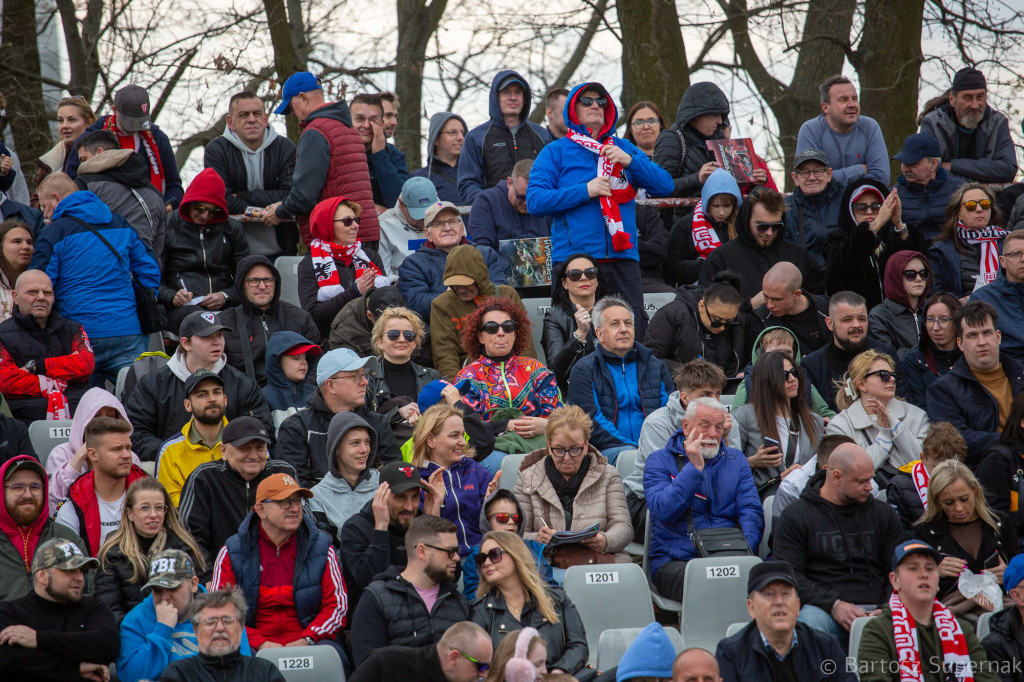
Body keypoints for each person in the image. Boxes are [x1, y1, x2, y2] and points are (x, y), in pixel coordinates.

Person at [527, 82, 674, 339]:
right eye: (587, 101)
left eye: (601, 101)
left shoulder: (624, 148)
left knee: (630, 337)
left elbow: (665, 186)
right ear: (573, 109)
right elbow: (535, 201)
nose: (595, 105)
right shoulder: (555, 151)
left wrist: (631, 161)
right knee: (575, 338)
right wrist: (585, 190)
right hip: (576, 264)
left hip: (622, 259)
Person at [30, 173, 161, 387]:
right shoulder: (120, 223)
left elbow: (39, 282)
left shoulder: (54, 233)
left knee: (86, 403)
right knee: (139, 398)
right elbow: (149, 269)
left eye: (44, 206)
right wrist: (141, 301)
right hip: (127, 329)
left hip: (79, 334)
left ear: (56, 198)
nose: (44, 214)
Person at [774, 443, 903, 638]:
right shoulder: (796, 516)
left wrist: (887, 607)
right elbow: (789, 576)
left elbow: (899, 570)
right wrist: (833, 605)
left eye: (871, 478)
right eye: (862, 481)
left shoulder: (883, 514)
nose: (870, 487)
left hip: (879, 607)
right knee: (810, 623)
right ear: (836, 477)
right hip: (824, 611)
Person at [212, 472, 348, 655]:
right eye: (284, 502)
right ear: (261, 510)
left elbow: (337, 606)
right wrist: (259, 644)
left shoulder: (322, 548)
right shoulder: (232, 551)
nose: (294, 508)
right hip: (252, 646)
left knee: (334, 657)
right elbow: (219, 611)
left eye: (297, 501)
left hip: (311, 642)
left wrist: (307, 639)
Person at [643, 398, 764, 597]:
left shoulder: (736, 460)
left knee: (774, 580)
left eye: (719, 427)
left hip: (730, 555)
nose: (713, 434)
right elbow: (662, 509)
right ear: (685, 426)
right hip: (677, 560)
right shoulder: (659, 460)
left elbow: (751, 512)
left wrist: (744, 555)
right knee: (711, 584)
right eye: (705, 426)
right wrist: (694, 468)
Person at [125, 310, 273, 462]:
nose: (217, 342)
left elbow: (262, 430)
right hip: (171, 463)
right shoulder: (154, 383)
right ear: (186, 343)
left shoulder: (241, 383)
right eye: (207, 337)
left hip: (226, 464)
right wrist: (177, 454)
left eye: (219, 335)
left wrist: (224, 455)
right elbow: (135, 433)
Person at [262, 71, 380, 247]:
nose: (292, 114)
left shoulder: (315, 132)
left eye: (291, 107)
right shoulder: (347, 128)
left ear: (303, 98)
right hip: (364, 231)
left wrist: (280, 211)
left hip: (337, 237)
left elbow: (304, 196)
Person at [856, 539, 999, 682]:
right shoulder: (877, 631)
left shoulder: (961, 629)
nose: (924, 574)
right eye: (913, 568)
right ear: (895, 580)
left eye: (930, 568)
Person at [622, 360, 728, 539]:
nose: (714, 401)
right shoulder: (657, 424)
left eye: (717, 394)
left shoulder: (726, 422)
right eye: (705, 395)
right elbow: (667, 479)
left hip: (706, 497)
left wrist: (724, 438)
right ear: (684, 397)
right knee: (694, 524)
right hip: (650, 500)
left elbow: (732, 474)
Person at [513, 405, 632, 563]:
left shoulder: (608, 475)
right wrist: (538, 539)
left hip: (597, 562)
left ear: (586, 446)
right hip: (548, 564)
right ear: (548, 445)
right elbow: (515, 535)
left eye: (575, 449)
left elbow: (623, 527)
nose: (567, 458)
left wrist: (605, 540)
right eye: (559, 449)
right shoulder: (528, 479)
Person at [178, 416, 294, 573]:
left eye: (260, 448)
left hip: (279, 573)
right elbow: (190, 539)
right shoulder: (204, 478)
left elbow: (305, 528)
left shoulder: (284, 474)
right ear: (223, 451)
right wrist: (208, 578)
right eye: (244, 448)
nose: (253, 455)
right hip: (220, 575)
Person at [351, 514, 471, 665]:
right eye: (450, 551)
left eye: (457, 551)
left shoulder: (458, 601)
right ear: (422, 551)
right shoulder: (376, 598)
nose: (457, 558)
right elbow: (368, 667)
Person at [116, 549, 252, 682]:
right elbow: (130, 677)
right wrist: (162, 631)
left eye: (172, 588)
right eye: (157, 590)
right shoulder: (135, 620)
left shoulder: (222, 615)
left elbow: (242, 671)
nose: (165, 597)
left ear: (193, 584)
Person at [568, 297, 672, 462]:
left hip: (656, 447)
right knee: (631, 458)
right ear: (599, 334)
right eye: (615, 324)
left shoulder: (655, 366)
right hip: (606, 450)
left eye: (628, 323)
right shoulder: (584, 370)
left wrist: (653, 445)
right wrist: (634, 448)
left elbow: (669, 412)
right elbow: (590, 422)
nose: (624, 329)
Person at [278, 347, 401, 486]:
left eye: (364, 374)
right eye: (354, 376)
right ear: (331, 385)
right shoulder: (296, 427)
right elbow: (293, 487)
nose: (365, 382)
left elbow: (393, 478)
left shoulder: (376, 422)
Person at [0, 537, 118, 680]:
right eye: (69, 570)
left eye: (81, 570)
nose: (79, 578)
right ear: (42, 575)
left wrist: (38, 639)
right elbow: (8, 659)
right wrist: (75, 668)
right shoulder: (11, 612)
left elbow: (108, 644)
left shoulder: (93, 607)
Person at [715, 560, 854, 682]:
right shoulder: (730, 653)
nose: (779, 602)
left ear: (798, 605)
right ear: (751, 608)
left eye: (786, 593)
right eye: (768, 594)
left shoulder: (826, 646)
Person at [471, 530, 589, 675]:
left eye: (494, 554)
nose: (487, 563)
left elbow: (578, 646)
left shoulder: (557, 599)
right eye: (481, 559)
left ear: (516, 555)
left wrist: (558, 672)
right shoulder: (480, 611)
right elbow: (481, 666)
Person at [914, 460, 1019, 619]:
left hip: (1001, 610)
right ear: (937, 502)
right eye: (949, 503)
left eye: (964, 499)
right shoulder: (926, 531)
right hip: (952, 615)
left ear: (975, 491)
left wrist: (1009, 574)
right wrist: (934, 571)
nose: (958, 508)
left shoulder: (1000, 523)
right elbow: (913, 583)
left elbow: (1019, 570)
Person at [95, 477, 205, 623]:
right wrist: (137, 631)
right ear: (130, 513)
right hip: (132, 631)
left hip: (180, 630)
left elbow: (199, 598)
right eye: (145, 508)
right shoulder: (113, 554)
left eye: (159, 507)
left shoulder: (184, 547)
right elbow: (109, 609)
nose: (153, 514)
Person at [926, 301, 1024, 465]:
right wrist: (1013, 440)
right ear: (960, 343)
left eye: (987, 333)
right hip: (982, 471)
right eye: (972, 335)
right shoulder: (942, 390)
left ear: (998, 336)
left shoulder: (1021, 375)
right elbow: (955, 441)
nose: (982, 342)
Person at [203, 90, 296, 258]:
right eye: (244, 114)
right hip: (231, 251)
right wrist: (266, 209)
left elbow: (290, 196)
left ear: (265, 119)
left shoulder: (285, 148)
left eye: (257, 113)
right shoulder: (216, 151)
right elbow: (221, 200)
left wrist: (242, 196)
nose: (252, 119)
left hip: (282, 248)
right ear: (230, 122)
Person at [455, 298, 558, 448]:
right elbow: (468, 426)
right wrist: (506, 425)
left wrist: (547, 424)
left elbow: (558, 414)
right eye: (492, 328)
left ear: (515, 334)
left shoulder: (536, 369)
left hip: (540, 444)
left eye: (508, 327)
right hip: (491, 449)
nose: (501, 333)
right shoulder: (467, 378)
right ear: (480, 336)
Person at [337, 461, 443, 606]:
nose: (409, 507)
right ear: (382, 496)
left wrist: (433, 525)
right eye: (401, 497)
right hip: (377, 613)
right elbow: (371, 582)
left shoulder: (422, 523)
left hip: (421, 609)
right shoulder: (356, 528)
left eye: (415, 497)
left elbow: (450, 576)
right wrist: (380, 529)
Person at [65, 83, 184, 210]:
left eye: (140, 121)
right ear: (115, 110)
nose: (136, 127)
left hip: (149, 214)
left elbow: (174, 185)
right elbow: (70, 183)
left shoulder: (157, 138)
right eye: (131, 121)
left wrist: (169, 204)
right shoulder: (89, 140)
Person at [699, 188, 824, 306]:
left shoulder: (798, 255)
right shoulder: (720, 258)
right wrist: (750, 305)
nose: (769, 232)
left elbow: (820, 301)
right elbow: (706, 306)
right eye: (762, 226)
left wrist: (800, 303)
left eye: (776, 226)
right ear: (746, 219)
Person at [0, 269, 94, 423]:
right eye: (32, 292)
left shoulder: (73, 329)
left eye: (47, 293)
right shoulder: (2, 335)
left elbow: (85, 365)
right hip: (24, 421)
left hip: (79, 415)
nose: (41, 297)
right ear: (15, 297)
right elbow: (6, 381)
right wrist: (57, 381)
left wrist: (38, 366)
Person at [431, 246, 533, 382]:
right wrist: (457, 388)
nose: (461, 290)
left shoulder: (506, 294)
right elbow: (445, 355)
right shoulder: (442, 305)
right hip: (469, 378)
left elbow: (524, 342)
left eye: (466, 284)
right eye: (455, 285)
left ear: (480, 278)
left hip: (511, 373)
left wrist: (527, 378)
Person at [216, 254, 320, 385]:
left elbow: (317, 364)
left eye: (268, 280)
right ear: (241, 284)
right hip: (245, 395)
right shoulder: (223, 323)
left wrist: (304, 392)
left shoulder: (300, 318)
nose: (262, 286)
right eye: (254, 280)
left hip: (295, 394)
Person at [731, 350, 823, 497]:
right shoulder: (745, 416)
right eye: (784, 375)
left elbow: (821, 470)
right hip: (760, 499)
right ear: (766, 380)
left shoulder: (814, 421)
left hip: (802, 499)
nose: (792, 379)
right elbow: (726, 467)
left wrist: (803, 473)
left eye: (794, 372)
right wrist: (752, 462)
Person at [822, 179, 923, 310]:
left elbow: (915, 263)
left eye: (876, 206)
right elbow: (841, 262)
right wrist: (876, 224)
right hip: (855, 315)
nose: (869, 212)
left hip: (893, 315)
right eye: (861, 207)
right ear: (850, 210)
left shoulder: (891, 237)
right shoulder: (837, 239)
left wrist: (898, 223)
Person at [398, 200, 509, 320]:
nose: (447, 228)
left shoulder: (485, 254)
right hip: (442, 324)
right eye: (439, 224)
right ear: (427, 234)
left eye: (452, 221)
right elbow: (417, 304)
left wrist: (472, 291)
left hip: (486, 321)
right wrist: (453, 295)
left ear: (462, 228)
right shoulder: (413, 264)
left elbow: (501, 288)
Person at [297, 195, 389, 338]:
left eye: (356, 220)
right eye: (347, 221)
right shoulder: (310, 264)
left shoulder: (370, 257)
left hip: (372, 336)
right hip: (331, 339)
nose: (356, 225)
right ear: (327, 225)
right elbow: (313, 317)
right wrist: (354, 292)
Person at [827, 350, 931, 475]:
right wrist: (884, 438)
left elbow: (926, 465)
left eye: (894, 375)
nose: (892, 379)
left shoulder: (917, 415)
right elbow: (851, 473)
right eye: (884, 375)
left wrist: (894, 424)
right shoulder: (840, 426)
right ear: (861, 384)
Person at [53, 416, 146, 555]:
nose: (127, 455)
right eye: (117, 449)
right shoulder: (72, 507)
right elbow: (67, 561)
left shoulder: (151, 494)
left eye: (128, 448)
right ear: (93, 454)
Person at [800, 291, 903, 412]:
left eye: (862, 319)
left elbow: (903, 399)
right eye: (847, 320)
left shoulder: (886, 354)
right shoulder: (812, 366)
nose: (856, 325)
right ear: (830, 323)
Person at [0, 456, 85, 602]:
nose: (28, 494)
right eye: (17, 487)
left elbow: (86, 595)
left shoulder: (67, 539)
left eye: (35, 487)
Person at [459, 70, 551, 204]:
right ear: (496, 97)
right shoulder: (476, 138)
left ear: (525, 98)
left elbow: (552, 177)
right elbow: (468, 184)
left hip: (536, 210)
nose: (513, 97)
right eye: (506, 92)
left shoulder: (542, 135)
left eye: (518, 92)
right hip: (494, 212)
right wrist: (492, 203)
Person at [413, 405, 495, 555]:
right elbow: (420, 539)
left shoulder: (477, 472)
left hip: (484, 557)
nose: (463, 442)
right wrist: (437, 506)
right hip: (445, 560)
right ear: (431, 440)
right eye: (454, 436)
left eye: (463, 435)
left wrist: (493, 509)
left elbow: (497, 529)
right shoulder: (419, 481)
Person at [158, 587, 286, 682]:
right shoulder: (178, 675)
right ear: (196, 630)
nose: (219, 628)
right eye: (210, 622)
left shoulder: (265, 672)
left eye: (227, 621)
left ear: (241, 628)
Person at [73, 129, 167, 258]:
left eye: (83, 159)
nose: (81, 166)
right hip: (145, 265)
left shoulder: (85, 184)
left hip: (102, 264)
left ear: (100, 152)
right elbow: (159, 244)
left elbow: (73, 232)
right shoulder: (155, 193)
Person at [918, 66, 1018, 184]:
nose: (975, 105)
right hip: (945, 195)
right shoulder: (933, 123)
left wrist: (953, 165)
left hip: (990, 195)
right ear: (952, 99)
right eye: (967, 98)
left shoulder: (997, 122)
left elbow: (1008, 170)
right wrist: (982, 182)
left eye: (980, 97)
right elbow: (927, 171)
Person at [645, 271, 746, 376]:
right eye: (717, 320)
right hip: (681, 383)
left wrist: (744, 373)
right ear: (701, 306)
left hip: (728, 382)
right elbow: (650, 358)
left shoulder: (739, 321)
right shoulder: (673, 314)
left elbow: (748, 361)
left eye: (729, 322)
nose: (722, 327)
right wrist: (689, 373)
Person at [795, 75, 889, 185]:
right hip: (828, 199)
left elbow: (881, 178)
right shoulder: (811, 130)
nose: (852, 104)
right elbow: (812, 181)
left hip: (862, 196)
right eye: (843, 100)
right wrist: (859, 169)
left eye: (854, 99)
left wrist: (833, 180)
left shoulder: (870, 127)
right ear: (825, 107)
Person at [365, 306, 439, 444]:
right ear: (380, 342)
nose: (402, 339)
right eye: (393, 334)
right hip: (384, 451)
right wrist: (397, 414)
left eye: (409, 335)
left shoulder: (431, 376)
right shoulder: (367, 379)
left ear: (415, 342)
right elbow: (363, 424)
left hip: (427, 447)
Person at [462, 489, 555, 599]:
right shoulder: (478, 555)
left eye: (516, 518)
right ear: (487, 520)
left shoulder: (534, 549)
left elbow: (552, 588)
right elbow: (471, 598)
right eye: (502, 517)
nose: (511, 522)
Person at [155, 369, 228, 505]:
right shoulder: (170, 450)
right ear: (188, 405)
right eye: (202, 394)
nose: (212, 398)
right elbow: (167, 503)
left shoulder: (244, 440)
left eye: (216, 392)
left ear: (225, 400)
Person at [308, 411, 381, 542]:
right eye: (355, 443)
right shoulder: (317, 497)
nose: (364, 450)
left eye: (367, 442)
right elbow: (325, 546)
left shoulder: (384, 487)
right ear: (336, 449)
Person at [733, 326, 836, 419]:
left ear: (795, 354)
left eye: (787, 352)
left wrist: (829, 423)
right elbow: (736, 418)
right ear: (761, 354)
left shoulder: (801, 380)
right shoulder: (748, 383)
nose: (781, 357)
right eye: (774, 353)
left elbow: (824, 412)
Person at [653, 82, 733, 200]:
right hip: (684, 212)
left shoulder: (720, 139)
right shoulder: (671, 139)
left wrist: (753, 182)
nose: (720, 121)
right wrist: (697, 179)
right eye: (715, 114)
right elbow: (659, 187)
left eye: (721, 115)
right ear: (697, 114)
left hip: (720, 211)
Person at [665, 169, 742, 287]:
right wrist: (704, 264)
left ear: (734, 205)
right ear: (707, 202)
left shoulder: (741, 226)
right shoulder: (685, 225)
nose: (721, 212)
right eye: (716, 206)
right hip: (698, 287)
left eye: (727, 206)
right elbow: (673, 268)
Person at [541, 255, 606, 394]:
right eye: (575, 275)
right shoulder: (555, 317)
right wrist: (580, 335)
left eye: (590, 273)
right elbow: (555, 370)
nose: (583, 278)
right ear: (564, 283)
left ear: (597, 280)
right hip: (573, 392)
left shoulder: (611, 311)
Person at [350, 620, 494, 682]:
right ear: (454, 658)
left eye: (488, 668)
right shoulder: (386, 664)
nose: (484, 674)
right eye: (480, 666)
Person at [887, 421, 967, 533]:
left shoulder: (966, 480)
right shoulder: (900, 487)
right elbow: (898, 533)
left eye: (952, 467)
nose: (945, 473)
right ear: (923, 458)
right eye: (937, 467)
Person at [930, 182, 1006, 298]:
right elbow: (935, 295)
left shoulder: (1009, 243)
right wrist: (957, 302)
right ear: (958, 213)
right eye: (971, 205)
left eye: (985, 204)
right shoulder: (941, 250)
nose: (979, 209)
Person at [893, 132, 967, 241]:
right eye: (903, 163)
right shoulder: (894, 195)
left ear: (933, 164)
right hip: (910, 249)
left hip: (950, 249)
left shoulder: (959, 190)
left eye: (912, 163)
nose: (905, 169)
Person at [746, 261, 831, 356]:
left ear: (797, 294)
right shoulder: (760, 319)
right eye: (765, 297)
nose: (769, 305)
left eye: (777, 299)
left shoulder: (826, 309)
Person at [468, 158, 551, 250]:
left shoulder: (546, 201)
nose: (527, 203)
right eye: (521, 197)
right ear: (509, 183)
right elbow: (481, 250)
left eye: (533, 197)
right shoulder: (486, 202)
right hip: (497, 259)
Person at [772, 433, 857, 523]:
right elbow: (781, 529)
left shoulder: (862, 481)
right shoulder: (792, 486)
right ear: (828, 471)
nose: (867, 487)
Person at [782, 149, 845, 265]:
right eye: (804, 172)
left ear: (829, 174)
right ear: (795, 178)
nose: (811, 177)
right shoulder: (786, 208)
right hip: (803, 272)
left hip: (842, 270)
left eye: (818, 171)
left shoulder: (846, 200)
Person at [971, 229, 1024, 363]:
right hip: (1003, 367)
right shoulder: (982, 299)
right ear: (1002, 261)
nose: (1023, 259)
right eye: (1016, 254)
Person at [350, 92, 410, 210]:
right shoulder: (335, 151)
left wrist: (379, 155)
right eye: (360, 119)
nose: (366, 125)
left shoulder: (395, 156)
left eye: (373, 120)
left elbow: (399, 202)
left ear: (380, 122)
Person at [869, 250, 933, 359]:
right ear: (895, 277)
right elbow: (888, 357)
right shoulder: (878, 316)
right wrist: (931, 349)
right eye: (911, 274)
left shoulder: (932, 308)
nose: (919, 279)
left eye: (923, 273)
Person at [902, 293, 963, 407]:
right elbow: (918, 407)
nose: (935, 327)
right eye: (930, 319)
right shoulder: (913, 361)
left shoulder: (970, 355)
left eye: (944, 320)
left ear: (958, 322)